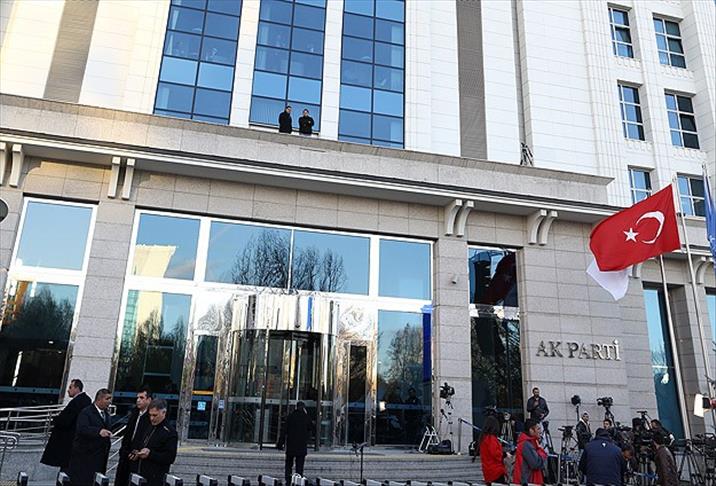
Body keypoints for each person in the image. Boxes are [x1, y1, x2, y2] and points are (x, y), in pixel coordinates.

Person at [40, 379, 91, 472]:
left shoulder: (78, 401)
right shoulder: (83, 400)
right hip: (73, 441)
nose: (68, 390)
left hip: (69, 440)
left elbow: (66, 420)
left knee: (67, 468)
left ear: (77, 388)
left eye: (70, 387)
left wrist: (56, 420)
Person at [67, 388, 113, 486]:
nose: (110, 402)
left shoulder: (107, 414)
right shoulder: (86, 412)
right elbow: (82, 429)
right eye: (107, 399)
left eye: (110, 399)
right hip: (85, 457)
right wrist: (98, 431)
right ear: (99, 399)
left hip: (100, 458)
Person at [128, 399, 178, 486]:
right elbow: (143, 444)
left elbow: (170, 457)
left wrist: (150, 454)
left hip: (156, 478)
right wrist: (137, 453)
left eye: (155, 415)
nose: (152, 418)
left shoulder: (170, 432)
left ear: (164, 412)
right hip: (141, 474)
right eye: (150, 415)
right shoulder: (150, 426)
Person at [115, 386, 153, 486]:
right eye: (137, 398)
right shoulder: (134, 413)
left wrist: (138, 451)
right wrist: (123, 450)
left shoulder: (151, 417)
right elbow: (128, 433)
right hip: (126, 455)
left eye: (142, 398)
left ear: (149, 400)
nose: (138, 400)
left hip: (139, 458)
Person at [278, 401, 312, 484]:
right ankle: (298, 481)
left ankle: (288, 480)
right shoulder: (306, 417)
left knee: (288, 465)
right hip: (301, 446)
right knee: (299, 467)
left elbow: (284, 430)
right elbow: (311, 428)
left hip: (291, 445)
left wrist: (280, 443)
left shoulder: (291, 417)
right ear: (304, 408)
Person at [512, 419, 547, 485]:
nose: (540, 431)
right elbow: (536, 464)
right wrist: (542, 453)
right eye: (538, 429)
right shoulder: (526, 444)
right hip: (527, 481)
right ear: (531, 430)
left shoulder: (530, 442)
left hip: (527, 480)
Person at [479, 415, 507, 485]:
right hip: (496, 470)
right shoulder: (491, 439)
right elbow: (496, 454)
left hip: (488, 470)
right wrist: (505, 454)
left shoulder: (484, 438)